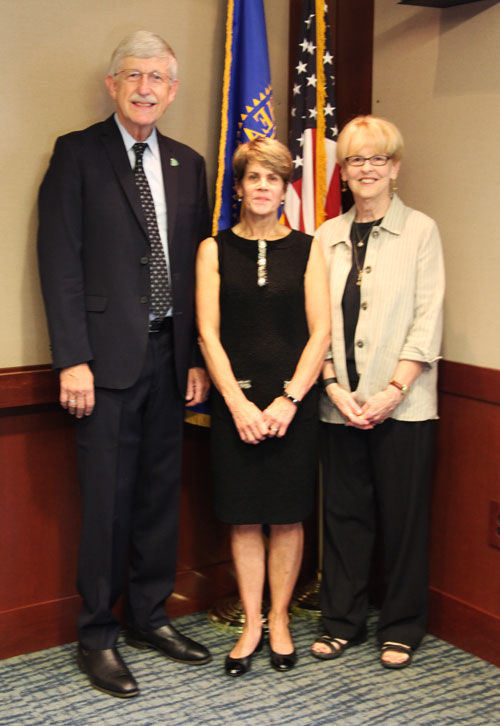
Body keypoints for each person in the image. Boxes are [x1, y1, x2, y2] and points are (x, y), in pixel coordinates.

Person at [37, 31, 212, 698]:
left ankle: (147, 617)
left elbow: (197, 273)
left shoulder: (187, 164)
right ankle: (97, 635)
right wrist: (72, 359)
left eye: (158, 77)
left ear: (173, 89)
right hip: (104, 365)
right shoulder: (77, 154)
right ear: (112, 85)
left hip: (171, 360)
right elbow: (59, 262)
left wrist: (194, 356)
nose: (145, 87)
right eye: (133, 75)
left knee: (157, 500)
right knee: (107, 505)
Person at [310, 116, 445, 669]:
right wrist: (333, 386)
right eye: (355, 160)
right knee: (344, 517)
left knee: (404, 519)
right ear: (341, 171)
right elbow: (315, 323)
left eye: (377, 159)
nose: (366, 169)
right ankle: (342, 620)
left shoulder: (421, 231)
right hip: (338, 403)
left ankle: (403, 624)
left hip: (405, 405)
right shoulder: (325, 237)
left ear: (395, 167)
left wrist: (392, 390)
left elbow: (427, 318)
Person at [196, 137, 330, 676]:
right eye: (254, 177)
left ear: (284, 189)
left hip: (292, 405)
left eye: (272, 179)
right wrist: (238, 404)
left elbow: (320, 332)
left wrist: (289, 399)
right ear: (239, 186)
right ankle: (251, 621)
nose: (262, 187)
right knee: (245, 516)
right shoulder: (213, 249)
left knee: (288, 515)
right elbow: (208, 333)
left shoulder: (308, 247)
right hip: (237, 407)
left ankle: (279, 618)